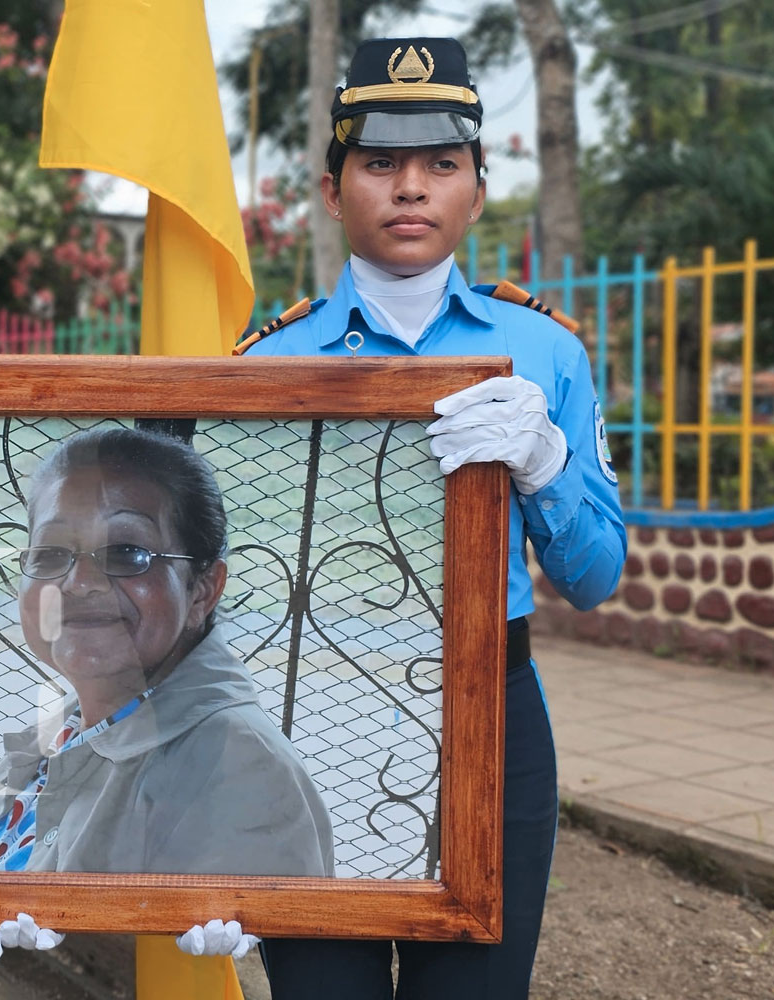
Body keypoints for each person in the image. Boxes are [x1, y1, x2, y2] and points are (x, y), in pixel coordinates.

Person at [237, 37, 626, 999]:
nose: (410, 188)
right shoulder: (261, 370)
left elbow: (594, 576)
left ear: (478, 190)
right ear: (332, 193)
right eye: (379, 164)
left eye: (440, 165)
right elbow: (227, 586)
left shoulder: (544, 354)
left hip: (493, 707)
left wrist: (546, 464)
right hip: (316, 709)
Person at [0, 426, 334, 959]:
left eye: (128, 552)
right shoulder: (70, 734)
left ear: (203, 589)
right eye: (50, 554)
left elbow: (236, 979)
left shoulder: (237, 767)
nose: (78, 582)